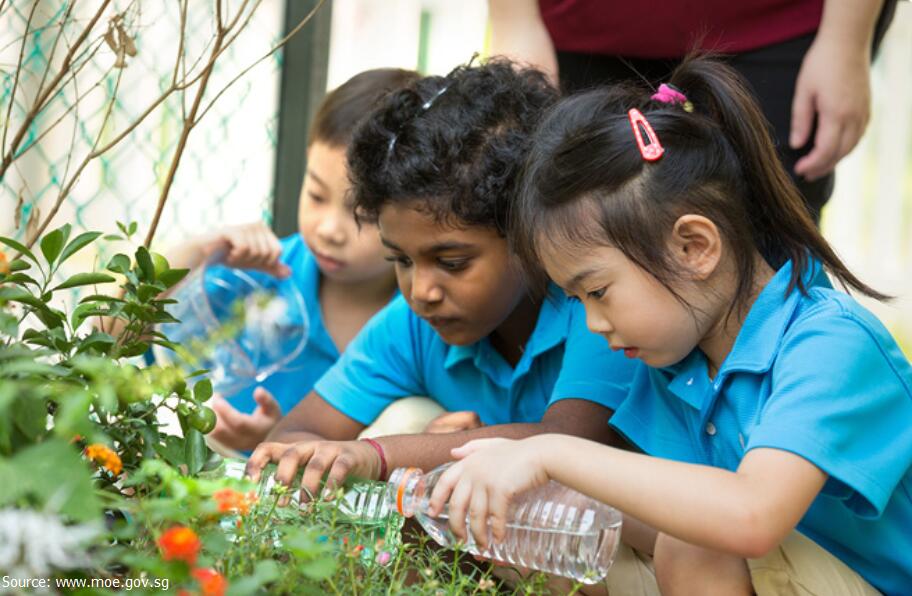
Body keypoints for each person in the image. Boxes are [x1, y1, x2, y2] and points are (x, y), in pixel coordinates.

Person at [427, 57, 912, 595]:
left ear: (694, 247)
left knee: (697, 541)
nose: (593, 325)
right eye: (576, 300)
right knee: (556, 539)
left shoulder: (830, 343)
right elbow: (655, 518)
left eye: (599, 292)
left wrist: (548, 452)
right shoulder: (680, 364)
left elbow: (751, 516)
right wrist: (520, 490)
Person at [244, 60, 639, 499]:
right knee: (408, 420)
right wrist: (404, 450)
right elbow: (297, 432)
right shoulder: (413, 326)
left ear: (527, 232)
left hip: (633, 543)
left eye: (452, 262)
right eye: (401, 260)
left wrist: (382, 455)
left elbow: (568, 441)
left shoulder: (594, 304)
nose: (421, 291)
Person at [163, 68, 419, 453]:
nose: (330, 228)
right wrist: (200, 250)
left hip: (346, 505)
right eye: (316, 195)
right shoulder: (256, 273)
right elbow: (110, 326)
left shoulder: (427, 313)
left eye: (363, 215)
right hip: (213, 487)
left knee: (418, 415)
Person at [487, 0, 899, 222]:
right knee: (581, 240)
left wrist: (847, 39)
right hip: (580, 28)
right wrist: (514, 16)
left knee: (768, 249)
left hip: (777, 24)